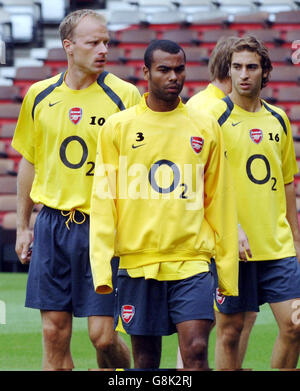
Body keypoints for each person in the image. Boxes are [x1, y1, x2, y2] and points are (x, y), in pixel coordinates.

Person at [89, 39, 239, 369]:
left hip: (192, 262)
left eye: (179, 69)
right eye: (164, 70)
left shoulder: (205, 126)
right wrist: (102, 266)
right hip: (138, 263)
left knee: (197, 349)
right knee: (145, 361)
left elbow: (221, 202)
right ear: (146, 72)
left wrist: (227, 271)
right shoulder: (119, 127)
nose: (174, 76)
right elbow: (103, 201)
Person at [12, 9, 140, 370]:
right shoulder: (39, 95)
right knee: (53, 333)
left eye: (106, 42)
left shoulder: (125, 97)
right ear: (68, 46)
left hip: (102, 228)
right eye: (93, 42)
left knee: (102, 336)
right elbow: (29, 161)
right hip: (52, 226)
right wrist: (24, 227)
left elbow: (138, 167)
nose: (103, 49)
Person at [206, 35, 300, 370]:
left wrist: (296, 241)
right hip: (232, 248)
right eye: (237, 67)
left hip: (277, 248)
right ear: (228, 72)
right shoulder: (211, 119)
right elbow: (200, 186)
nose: (244, 74)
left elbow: (287, 184)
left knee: (294, 325)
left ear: (265, 72)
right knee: (229, 332)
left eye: (252, 67)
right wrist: (230, 227)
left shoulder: (278, 119)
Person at [185, 36, 257, 369]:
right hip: (213, 230)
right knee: (210, 324)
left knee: (235, 319)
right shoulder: (208, 108)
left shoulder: (219, 103)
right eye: (240, 66)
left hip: (232, 227)